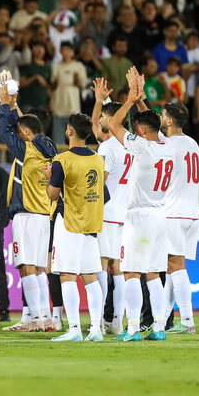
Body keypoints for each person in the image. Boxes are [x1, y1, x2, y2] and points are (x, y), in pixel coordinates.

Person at [107, 68, 172, 342]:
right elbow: (151, 123)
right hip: (160, 217)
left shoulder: (141, 147)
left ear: (142, 131)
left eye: (137, 129)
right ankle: (159, 328)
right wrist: (142, 98)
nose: (134, 132)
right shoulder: (168, 146)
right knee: (154, 275)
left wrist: (130, 100)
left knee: (131, 272)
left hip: (138, 217)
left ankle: (133, 328)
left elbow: (113, 125)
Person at [0, 75, 58, 332]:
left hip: (27, 215)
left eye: (22, 133)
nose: (18, 136)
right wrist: (14, 103)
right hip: (43, 215)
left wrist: (4, 102)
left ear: (28, 134)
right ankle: (44, 317)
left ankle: (38, 319)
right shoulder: (49, 148)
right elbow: (22, 127)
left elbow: (3, 130)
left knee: (26, 267)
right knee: (38, 268)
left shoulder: (28, 151)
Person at [44, 113, 107, 342]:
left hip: (69, 222)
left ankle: (74, 329)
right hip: (91, 223)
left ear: (70, 131)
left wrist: (49, 177)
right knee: (90, 276)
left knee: (67, 276)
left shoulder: (62, 160)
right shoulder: (98, 160)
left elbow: (52, 194)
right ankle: (96, 329)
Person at [90, 78, 130, 336]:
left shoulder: (106, 147)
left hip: (106, 212)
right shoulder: (132, 144)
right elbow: (95, 127)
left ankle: (98, 322)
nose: (100, 119)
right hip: (125, 213)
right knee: (119, 268)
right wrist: (100, 100)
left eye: (104, 116)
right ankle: (116, 322)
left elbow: (99, 182)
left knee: (102, 265)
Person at [162, 102, 199, 335]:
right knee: (171, 267)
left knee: (176, 266)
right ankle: (163, 318)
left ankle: (187, 319)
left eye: (162, 115)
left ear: (169, 121)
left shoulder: (169, 145)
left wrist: (139, 101)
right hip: (192, 213)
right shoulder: (193, 144)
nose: (159, 118)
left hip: (174, 213)